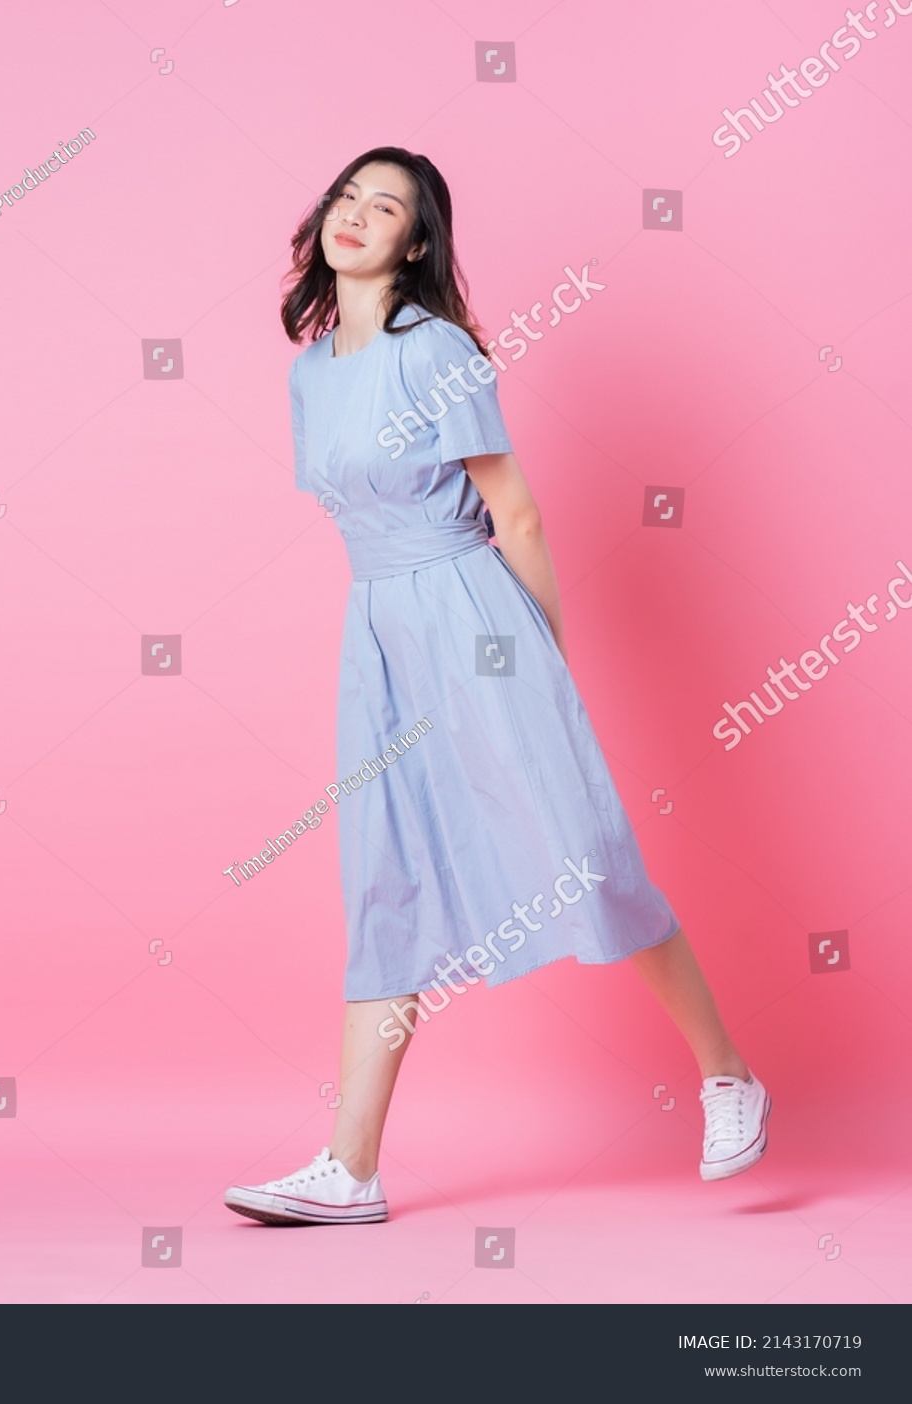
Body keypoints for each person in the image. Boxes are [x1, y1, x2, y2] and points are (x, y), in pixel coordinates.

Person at [223, 148, 770, 1227]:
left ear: (415, 243)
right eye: (348, 197)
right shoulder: (312, 367)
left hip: (474, 618)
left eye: (387, 208)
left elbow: (514, 512)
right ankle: (351, 1167)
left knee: (582, 846)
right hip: (378, 629)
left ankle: (727, 1075)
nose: (358, 217)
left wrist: (540, 662)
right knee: (385, 877)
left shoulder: (440, 354)